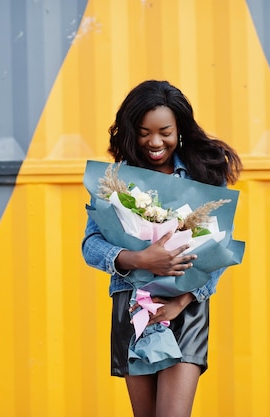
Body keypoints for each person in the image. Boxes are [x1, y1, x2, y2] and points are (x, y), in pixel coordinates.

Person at [82, 80, 242, 417]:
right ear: (130, 132)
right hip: (133, 307)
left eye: (164, 131)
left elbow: (221, 251)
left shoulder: (204, 175)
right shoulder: (113, 180)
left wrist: (182, 300)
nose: (155, 142)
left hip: (185, 307)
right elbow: (90, 245)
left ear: (179, 128)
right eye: (143, 132)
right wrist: (137, 258)